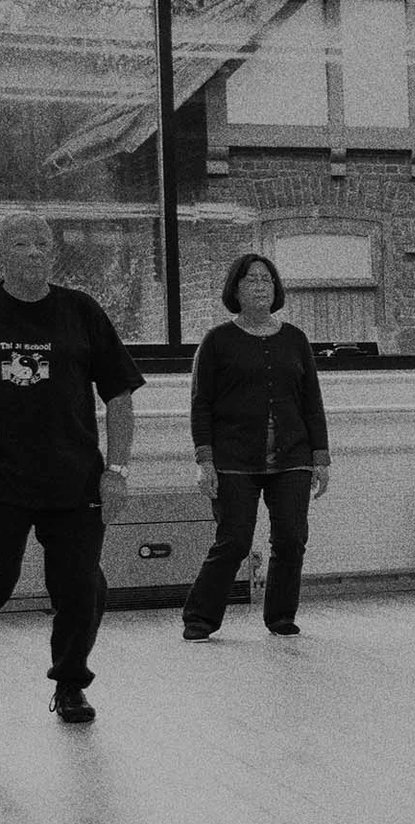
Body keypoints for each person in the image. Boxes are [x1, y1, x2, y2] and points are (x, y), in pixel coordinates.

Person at [0, 210, 145, 732]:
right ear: (0, 251)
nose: (33, 252)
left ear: (53, 251)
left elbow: (119, 395)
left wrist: (116, 470)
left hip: (75, 482)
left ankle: (70, 684)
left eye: (42, 243)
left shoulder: (81, 311)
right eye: (20, 243)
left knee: (81, 590)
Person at [181, 254, 331, 641]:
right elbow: (201, 404)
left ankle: (281, 617)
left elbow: (312, 402)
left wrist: (321, 457)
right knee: (234, 541)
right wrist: (204, 460)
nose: (260, 286)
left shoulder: (295, 339)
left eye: (267, 280)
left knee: (291, 539)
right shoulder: (217, 341)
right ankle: (200, 618)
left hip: (293, 457)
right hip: (233, 459)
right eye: (251, 280)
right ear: (235, 289)